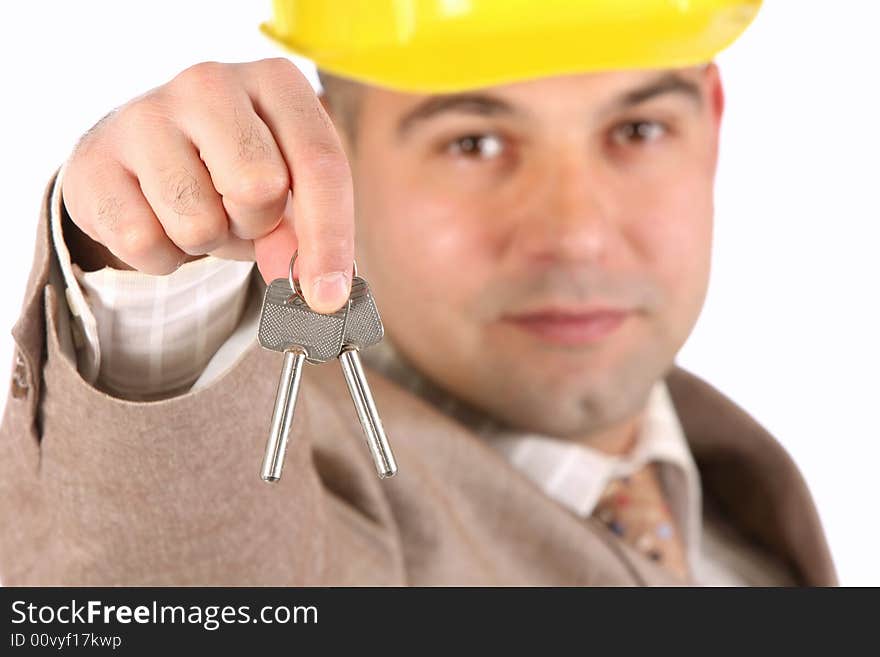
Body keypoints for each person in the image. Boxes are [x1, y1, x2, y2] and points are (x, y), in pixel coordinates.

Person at [0, 0, 836, 585]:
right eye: (473, 142)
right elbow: (165, 585)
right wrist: (156, 288)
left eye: (639, 130)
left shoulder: (743, 504)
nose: (578, 232)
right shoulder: (318, 511)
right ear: (329, 154)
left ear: (713, 127)